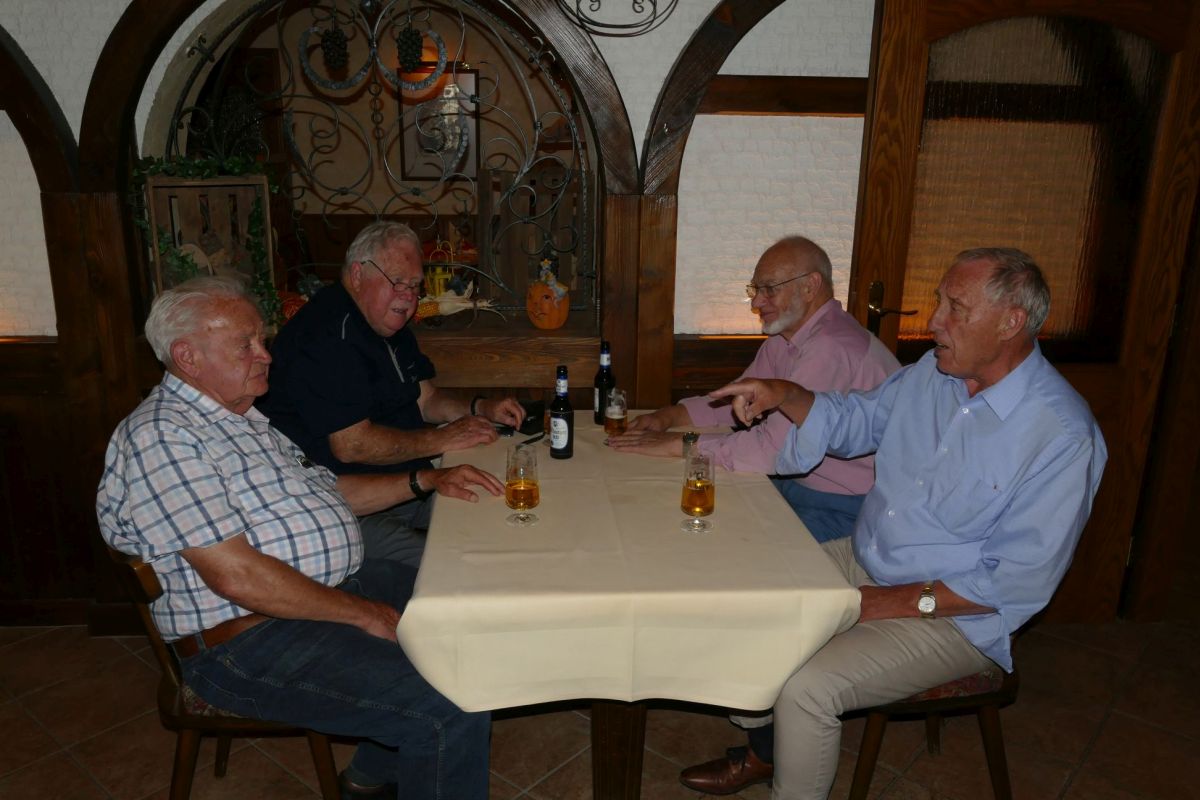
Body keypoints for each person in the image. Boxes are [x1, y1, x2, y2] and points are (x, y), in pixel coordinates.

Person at [678, 248, 1107, 799]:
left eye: (955, 308)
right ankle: (769, 750)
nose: (935, 322)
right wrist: (785, 394)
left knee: (807, 689)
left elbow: (1015, 581)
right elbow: (855, 421)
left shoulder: (1062, 436)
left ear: (1011, 323)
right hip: (868, 558)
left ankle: (786, 751)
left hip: (956, 615)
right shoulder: (932, 374)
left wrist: (876, 604)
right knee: (744, 595)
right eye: (939, 303)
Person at [97, 277, 502, 799]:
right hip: (247, 640)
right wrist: (362, 614)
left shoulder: (243, 419)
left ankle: (375, 774)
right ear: (187, 357)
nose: (266, 355)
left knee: (464, 616)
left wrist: (425, 479)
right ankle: (408, 750)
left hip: (317, 595)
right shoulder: (162, 437)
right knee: (447, 705)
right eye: (245, 344)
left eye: (261, 340)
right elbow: (237, 576)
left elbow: (333, 492)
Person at [257, 221, 525, 565]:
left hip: (413, 484)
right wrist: (441, 440)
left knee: (506, 512)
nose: (409, 296)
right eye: (397, 281)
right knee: (455, 565)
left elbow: (426, 399)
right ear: (358, 274)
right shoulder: (325, 334)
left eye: (414, 285)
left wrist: (480, 407)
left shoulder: (385, 322)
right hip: (348, 507)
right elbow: (352, 444)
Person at [608, 236, 898, 541]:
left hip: (846, 508)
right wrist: (668, 417)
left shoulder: (831, 347)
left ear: (810, 286)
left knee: (723, 542)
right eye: (755, 290)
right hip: (795, 485)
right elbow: (737, 401)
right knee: (672, 512)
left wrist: (680, 444)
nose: (757, 303)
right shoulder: (786, 339)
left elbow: (772, 449)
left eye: (769, 289)